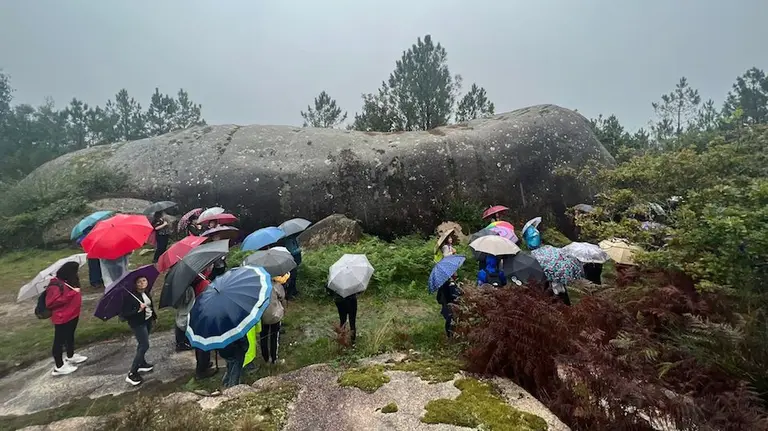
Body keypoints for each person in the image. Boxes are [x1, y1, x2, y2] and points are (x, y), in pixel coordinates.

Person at [46, 261, 87, 376]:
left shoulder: (69, 281)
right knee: (59, 341)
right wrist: (71, 294)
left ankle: (70, 355)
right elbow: (51, 303)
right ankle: (59, 366)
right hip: (62, 317)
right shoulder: (55, 285)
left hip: (72, 315)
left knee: (70, 336)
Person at [121, 276, 157, 386]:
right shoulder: (130, 297)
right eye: (139, 282)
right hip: (138, 324)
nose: (142, 283)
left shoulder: (146, 292)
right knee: (144, 345)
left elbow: (150, 306)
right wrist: (138, 310)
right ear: (135, 284)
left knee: (142, 344)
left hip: (147, 321)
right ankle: (132, 373)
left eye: (144, 280)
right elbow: (124, 315)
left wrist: (154, 317)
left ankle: (142, 363)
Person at [260, 273, 288, 366]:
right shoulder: (276, 285)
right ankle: (274, 359)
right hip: (274, 315)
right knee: (274, 336)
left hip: (261, 315)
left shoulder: (258, 285)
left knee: (263, 336)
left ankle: (265, 358)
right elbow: (282, 297)